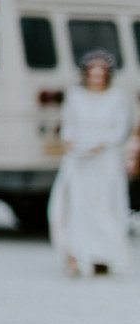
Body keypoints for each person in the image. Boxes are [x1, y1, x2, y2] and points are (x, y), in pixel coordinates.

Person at [48, 48, 134, 277]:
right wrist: (68, 140)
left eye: (100, 74)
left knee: (104, 208)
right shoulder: (75, 96)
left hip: (105, 161)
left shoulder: (117, 98)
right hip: (78, 160)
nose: (96, 78)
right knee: (76, 207)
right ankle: (75, 253)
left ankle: (103, 256)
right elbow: (69, 123)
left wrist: (103, 144)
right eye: (92, 73)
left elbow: (120, 128)